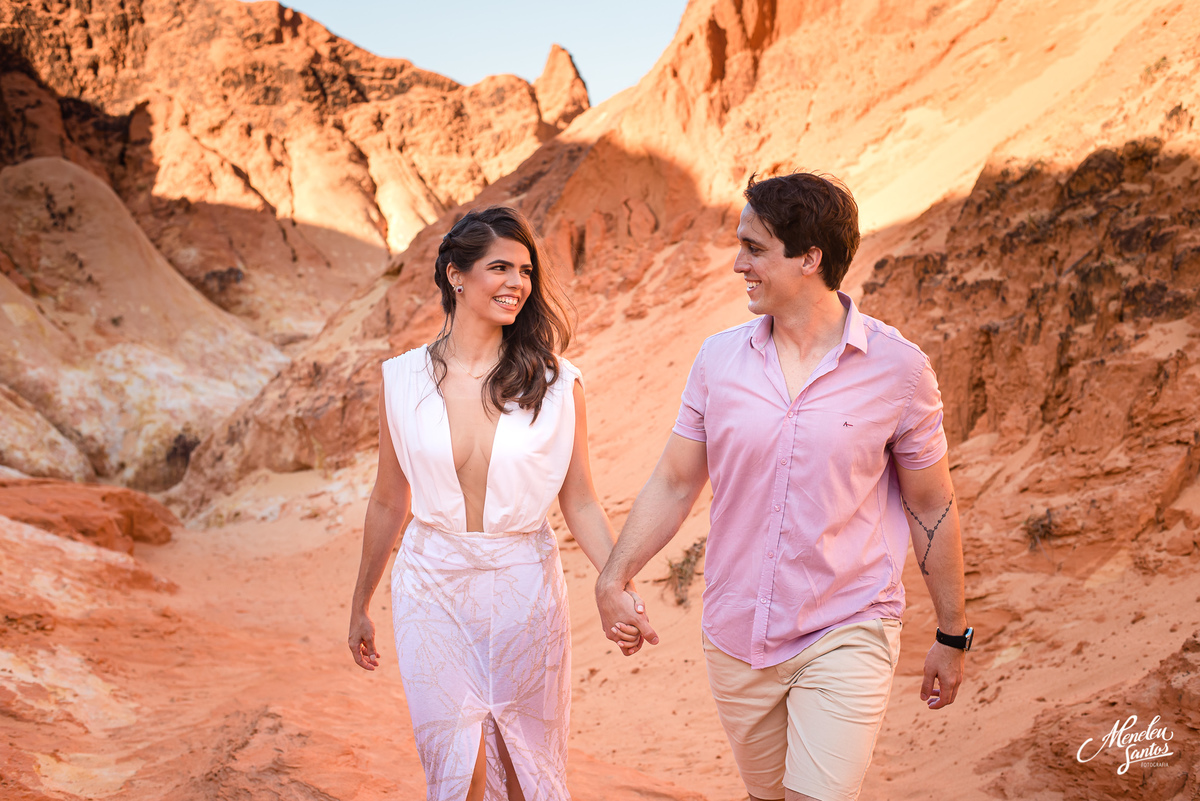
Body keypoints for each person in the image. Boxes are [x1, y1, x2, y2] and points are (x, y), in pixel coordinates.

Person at [595, 173, 970, 801]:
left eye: (755, 248)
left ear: (809, 258)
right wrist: (614, 576)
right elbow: (676, 479)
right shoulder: (718, 360)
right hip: (736, 634)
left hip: (847, 626)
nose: (738, 264)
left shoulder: (899, 369)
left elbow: (932, 504)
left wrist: (952, 634)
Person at [348, 206, 643, 801]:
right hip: (431, 588)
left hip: (524, 588)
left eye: (526, 271)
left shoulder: (559, 383)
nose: (517, 283)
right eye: (500, 267)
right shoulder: (401, 380)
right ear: (456, 274)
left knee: (525, 768)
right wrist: (360, 605)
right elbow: (388, 500)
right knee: (460, 768)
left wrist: (616, 583)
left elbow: (580, 499)